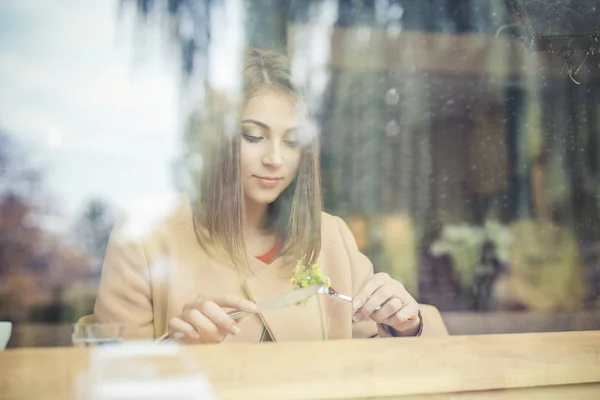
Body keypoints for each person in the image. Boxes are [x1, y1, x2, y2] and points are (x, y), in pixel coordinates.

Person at [92, 48, 424, 343]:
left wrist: (404, 324)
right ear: (217, 140)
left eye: (292, 142)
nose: (275, 158)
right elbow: (110, 374)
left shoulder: (332, 238)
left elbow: (375, 358)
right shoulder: (143, 240)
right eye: (253, 136)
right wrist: (175, 349)